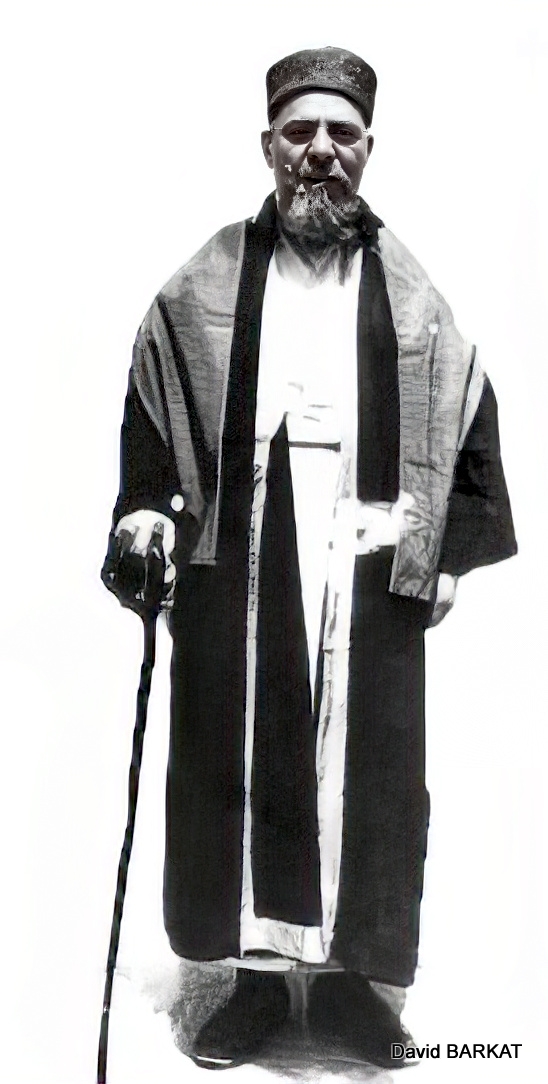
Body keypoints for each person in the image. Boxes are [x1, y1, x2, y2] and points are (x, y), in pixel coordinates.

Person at [102, 46, 517, 1071]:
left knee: (364, 773)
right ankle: (251, 983)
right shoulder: (205, 280)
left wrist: (446, 550)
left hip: (365, 554)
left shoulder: (408, 290)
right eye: (300, 132)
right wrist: (146, 509)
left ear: (368, 149)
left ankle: (345, 988)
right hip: (241, 552)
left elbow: (466, 402)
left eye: (342, 134)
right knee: (236, 766)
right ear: (267, 146)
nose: (320, 152)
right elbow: (153, 400)